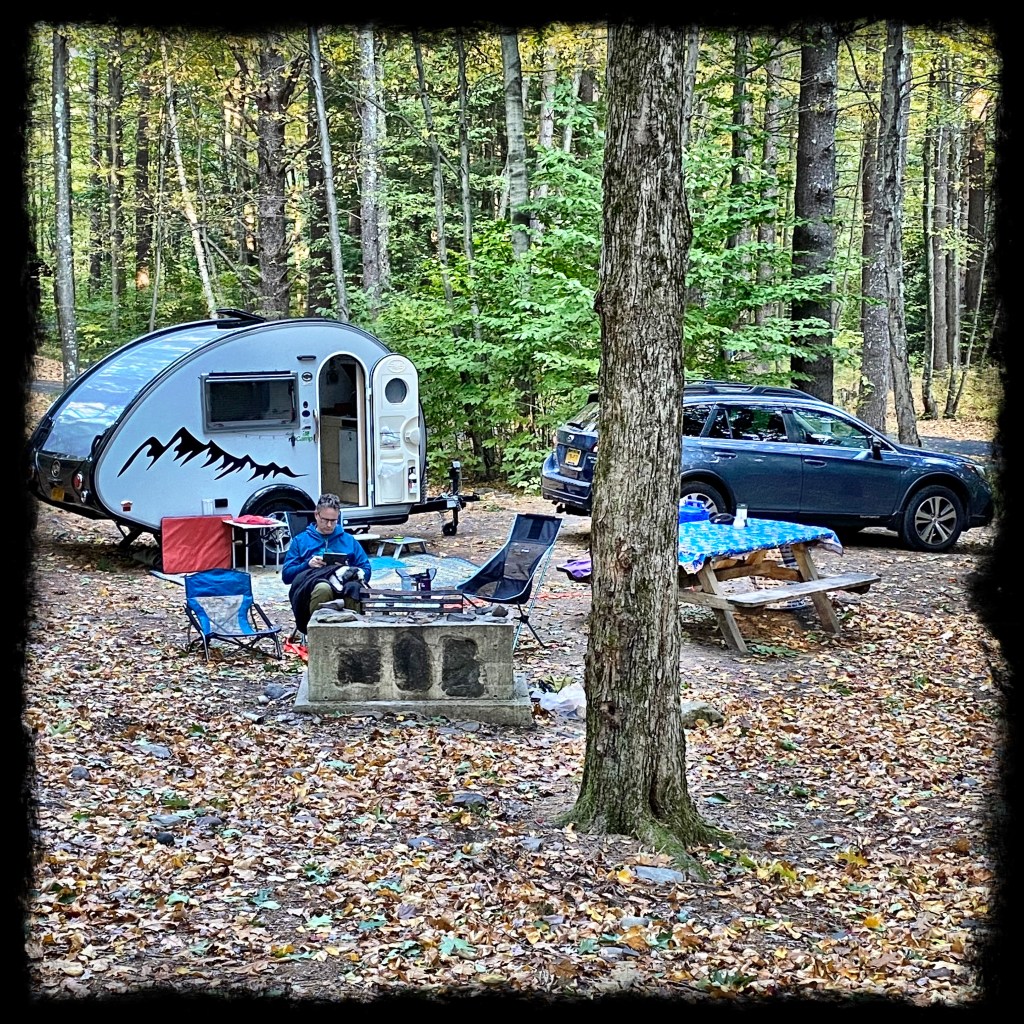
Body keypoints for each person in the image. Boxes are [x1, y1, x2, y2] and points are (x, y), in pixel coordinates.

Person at [282, 493, 372, 631]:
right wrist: (307, 565)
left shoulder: (348, 540)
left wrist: (350, 571)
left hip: (343, 584)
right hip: (312, 586)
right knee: (323, 588)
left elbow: (366, 569)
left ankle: (351, 633)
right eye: (325, 520)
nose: (329, 525)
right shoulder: (301, 541)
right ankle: (318, 634)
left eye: (334, 521)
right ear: (316, 515)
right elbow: (287, 576)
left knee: (353, 588)